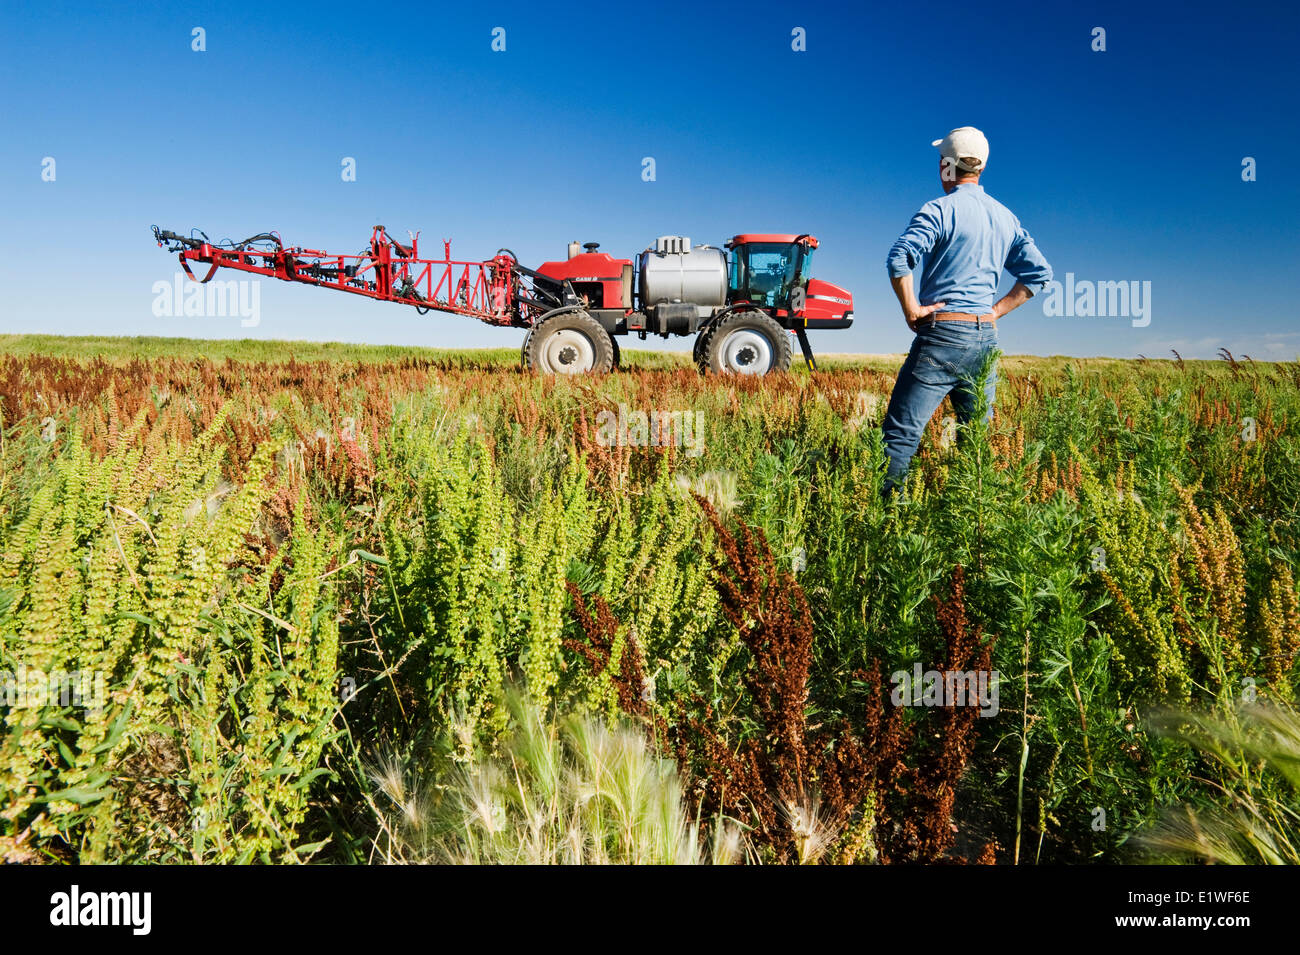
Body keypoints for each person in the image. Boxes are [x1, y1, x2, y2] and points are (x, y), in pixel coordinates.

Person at [881, 126, 1053, 496]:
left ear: (947, 166)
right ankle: (969, 525)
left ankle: (884, 520)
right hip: (984, 339)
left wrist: (911, 308)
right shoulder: (1005, 217)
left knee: (902, 433)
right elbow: (1040, 274)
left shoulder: (939, 210)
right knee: (975, 441)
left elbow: (899, 258)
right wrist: (994, 312)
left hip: (942, 334)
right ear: (981, 167)